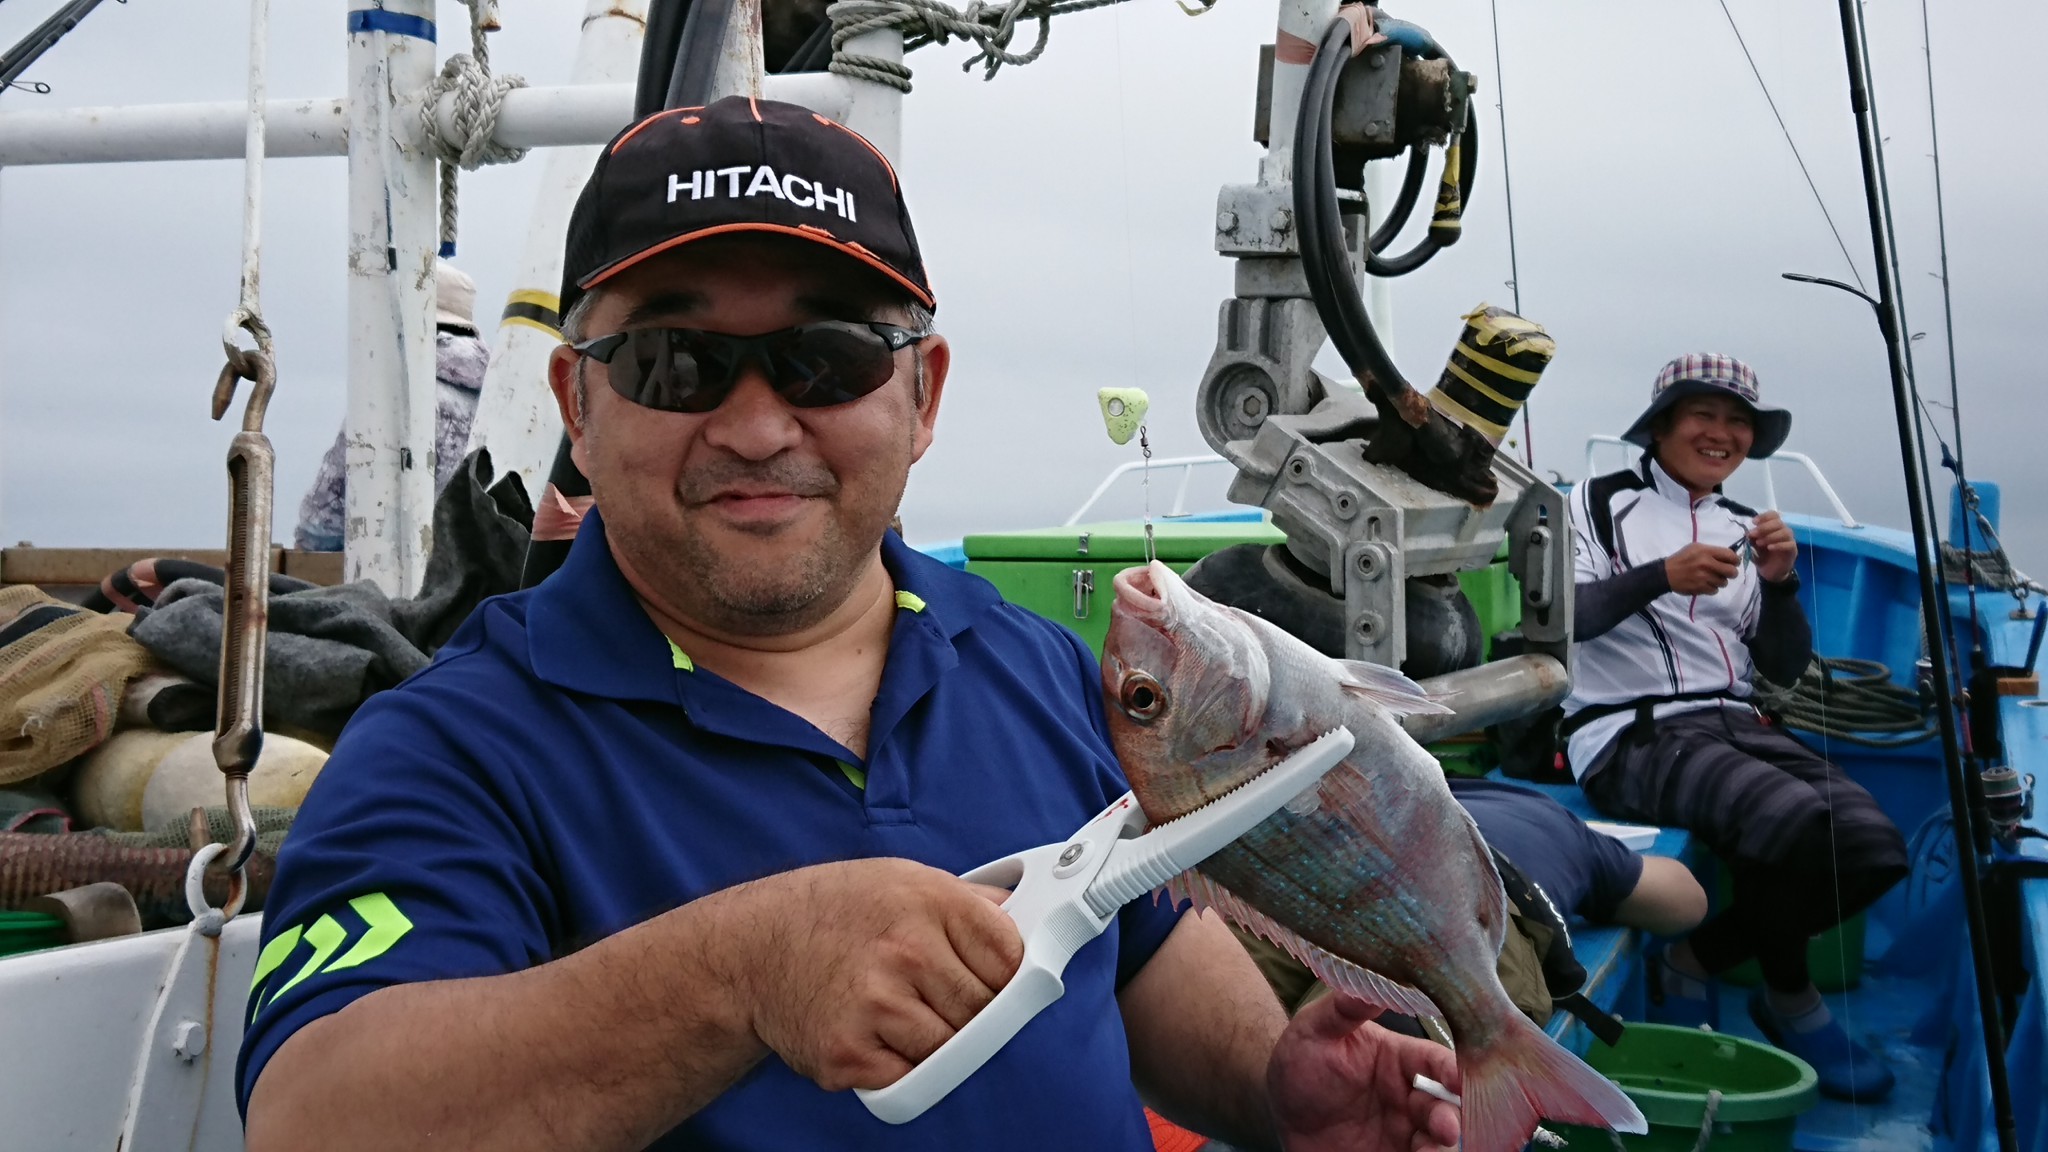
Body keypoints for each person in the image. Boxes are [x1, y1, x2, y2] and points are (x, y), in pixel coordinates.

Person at [237, 97, 1462, 1152]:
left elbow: (1133, 948)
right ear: (579, 405)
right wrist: (738, 974)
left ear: (922, 396)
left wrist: (1276, 1089)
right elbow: (311, 1117)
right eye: (672, 360)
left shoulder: (1037, 667)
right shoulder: (450, 747)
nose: (756, 426)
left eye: (827, 357)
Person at [1561, 354, 1908, 1102]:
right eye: (1703, 414)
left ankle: (1695, 959)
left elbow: (1782, 664)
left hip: (1735, 721)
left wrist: (1781, 584)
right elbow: (1566, 619)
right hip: (1628, 734)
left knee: (1874, 847)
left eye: (1739, 421)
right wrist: (1662, 575)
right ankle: (1793, 997)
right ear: (1661, 426)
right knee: (1793, 821)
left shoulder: (1745, 526)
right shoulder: (1592, 503)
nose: (1721, 433)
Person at [1237, 777, 1707, 1025]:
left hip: (1309, 883)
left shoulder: (1382, 786)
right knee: (1372, 1050)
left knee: (1233, 1009)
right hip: (1466, 911)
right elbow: (1687, 901)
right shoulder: (1552, 821)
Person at [293, 260, 491, 551]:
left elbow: (323, 517)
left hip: (393, 567)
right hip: (477, 569)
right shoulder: (498, 398)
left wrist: (309, 542)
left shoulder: (389, 397)